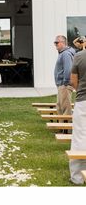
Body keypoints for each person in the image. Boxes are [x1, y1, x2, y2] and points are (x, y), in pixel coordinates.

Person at [69, 48, 86, 184]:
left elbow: (73, 81)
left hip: (83, 101)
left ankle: (77, 177)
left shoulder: (79, 56)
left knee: (79, 138)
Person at [54, 35, 75, 115]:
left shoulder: (66, 54)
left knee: (65, 109)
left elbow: (68, 69)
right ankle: (62, 126)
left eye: (57, 42)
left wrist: (65, 83)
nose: (55, 44)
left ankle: (67, 127)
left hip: (64, 85)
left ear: (63, 42)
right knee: (60, 107)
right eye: (54, 43)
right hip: (62, 85)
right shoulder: (63, 53)